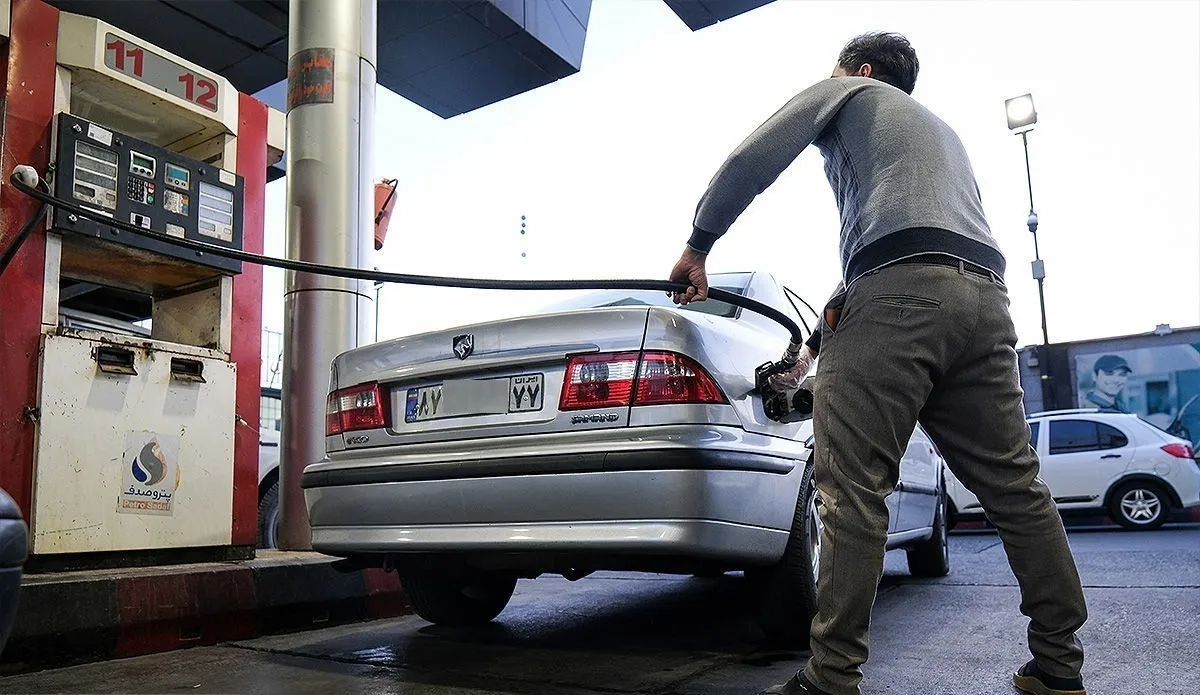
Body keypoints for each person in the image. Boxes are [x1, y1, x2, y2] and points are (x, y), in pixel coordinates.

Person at [666, 32, 1089, 695]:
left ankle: (831, 677)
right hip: (983, 299)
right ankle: (1060, 666)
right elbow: (908, 241)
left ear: (860, 70)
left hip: (899, 296)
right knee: (1016, 487)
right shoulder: (940, 135)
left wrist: (698, 245)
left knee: (852, 491)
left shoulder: (850, 91)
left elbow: (755, 156)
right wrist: (812, 348)